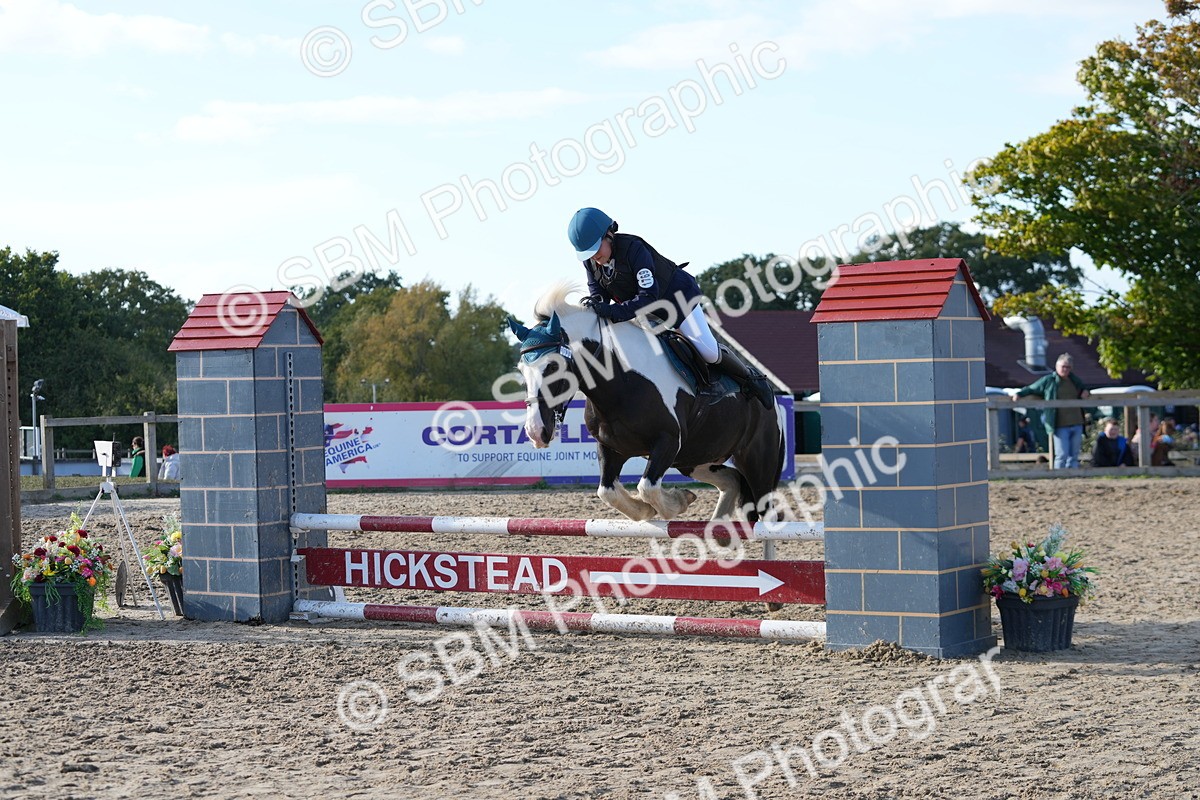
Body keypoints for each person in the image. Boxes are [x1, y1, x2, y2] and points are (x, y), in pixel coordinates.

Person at [566, 207, 774, 408]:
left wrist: (612, 312)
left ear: (609, 234)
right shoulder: (591, 262)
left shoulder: (634, 249)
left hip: (678, 302)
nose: (593, 256)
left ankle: (752, 380)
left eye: (595, 249)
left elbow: (647, 296)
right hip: (643, 314)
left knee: (708, 351)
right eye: (588, 253)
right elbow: (598, 294)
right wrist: (595, 305)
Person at [1007, 353, 1091, 469]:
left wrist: (1086, 391)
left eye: (1068, 367)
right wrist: (1019, 394)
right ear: (1057, 366)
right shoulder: (1049, 381)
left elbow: (1084, 389)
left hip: (1077, 422)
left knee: (1074, 455)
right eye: (1063, 366)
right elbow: (1032, 388)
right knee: (1062, 454)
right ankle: (1059, 478)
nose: (1065, 369)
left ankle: (1073, 477)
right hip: (1059, 424)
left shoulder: (1075, 380)